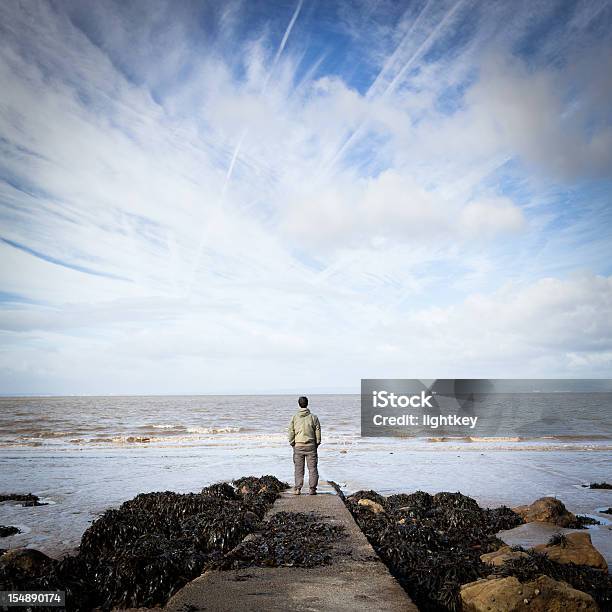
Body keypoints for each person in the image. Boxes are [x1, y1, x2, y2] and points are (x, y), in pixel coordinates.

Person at [288, 396, 321, 495]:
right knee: (313, 469)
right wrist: (317, 442)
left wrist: (292, 442)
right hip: (311, 446)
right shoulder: (313, 417)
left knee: (298, 469)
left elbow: (291, 431)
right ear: (307, 404)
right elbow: (318, 430)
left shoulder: (294, 417)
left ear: (299, 404)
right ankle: (312, 489)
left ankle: (298, 489)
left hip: (298, 446)